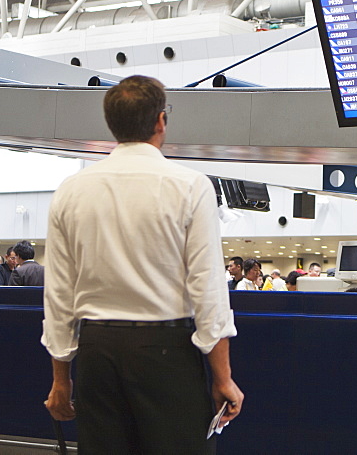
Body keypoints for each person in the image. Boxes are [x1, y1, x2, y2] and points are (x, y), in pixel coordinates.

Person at [42, 75, 242, 453]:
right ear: (160, 121)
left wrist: (61, 379)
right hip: (166, 351)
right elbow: (208, 288)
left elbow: (59, 294)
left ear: (112, 124)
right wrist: (223, 377)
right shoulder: (189, 185)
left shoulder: (72, 189)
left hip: (97, 352)